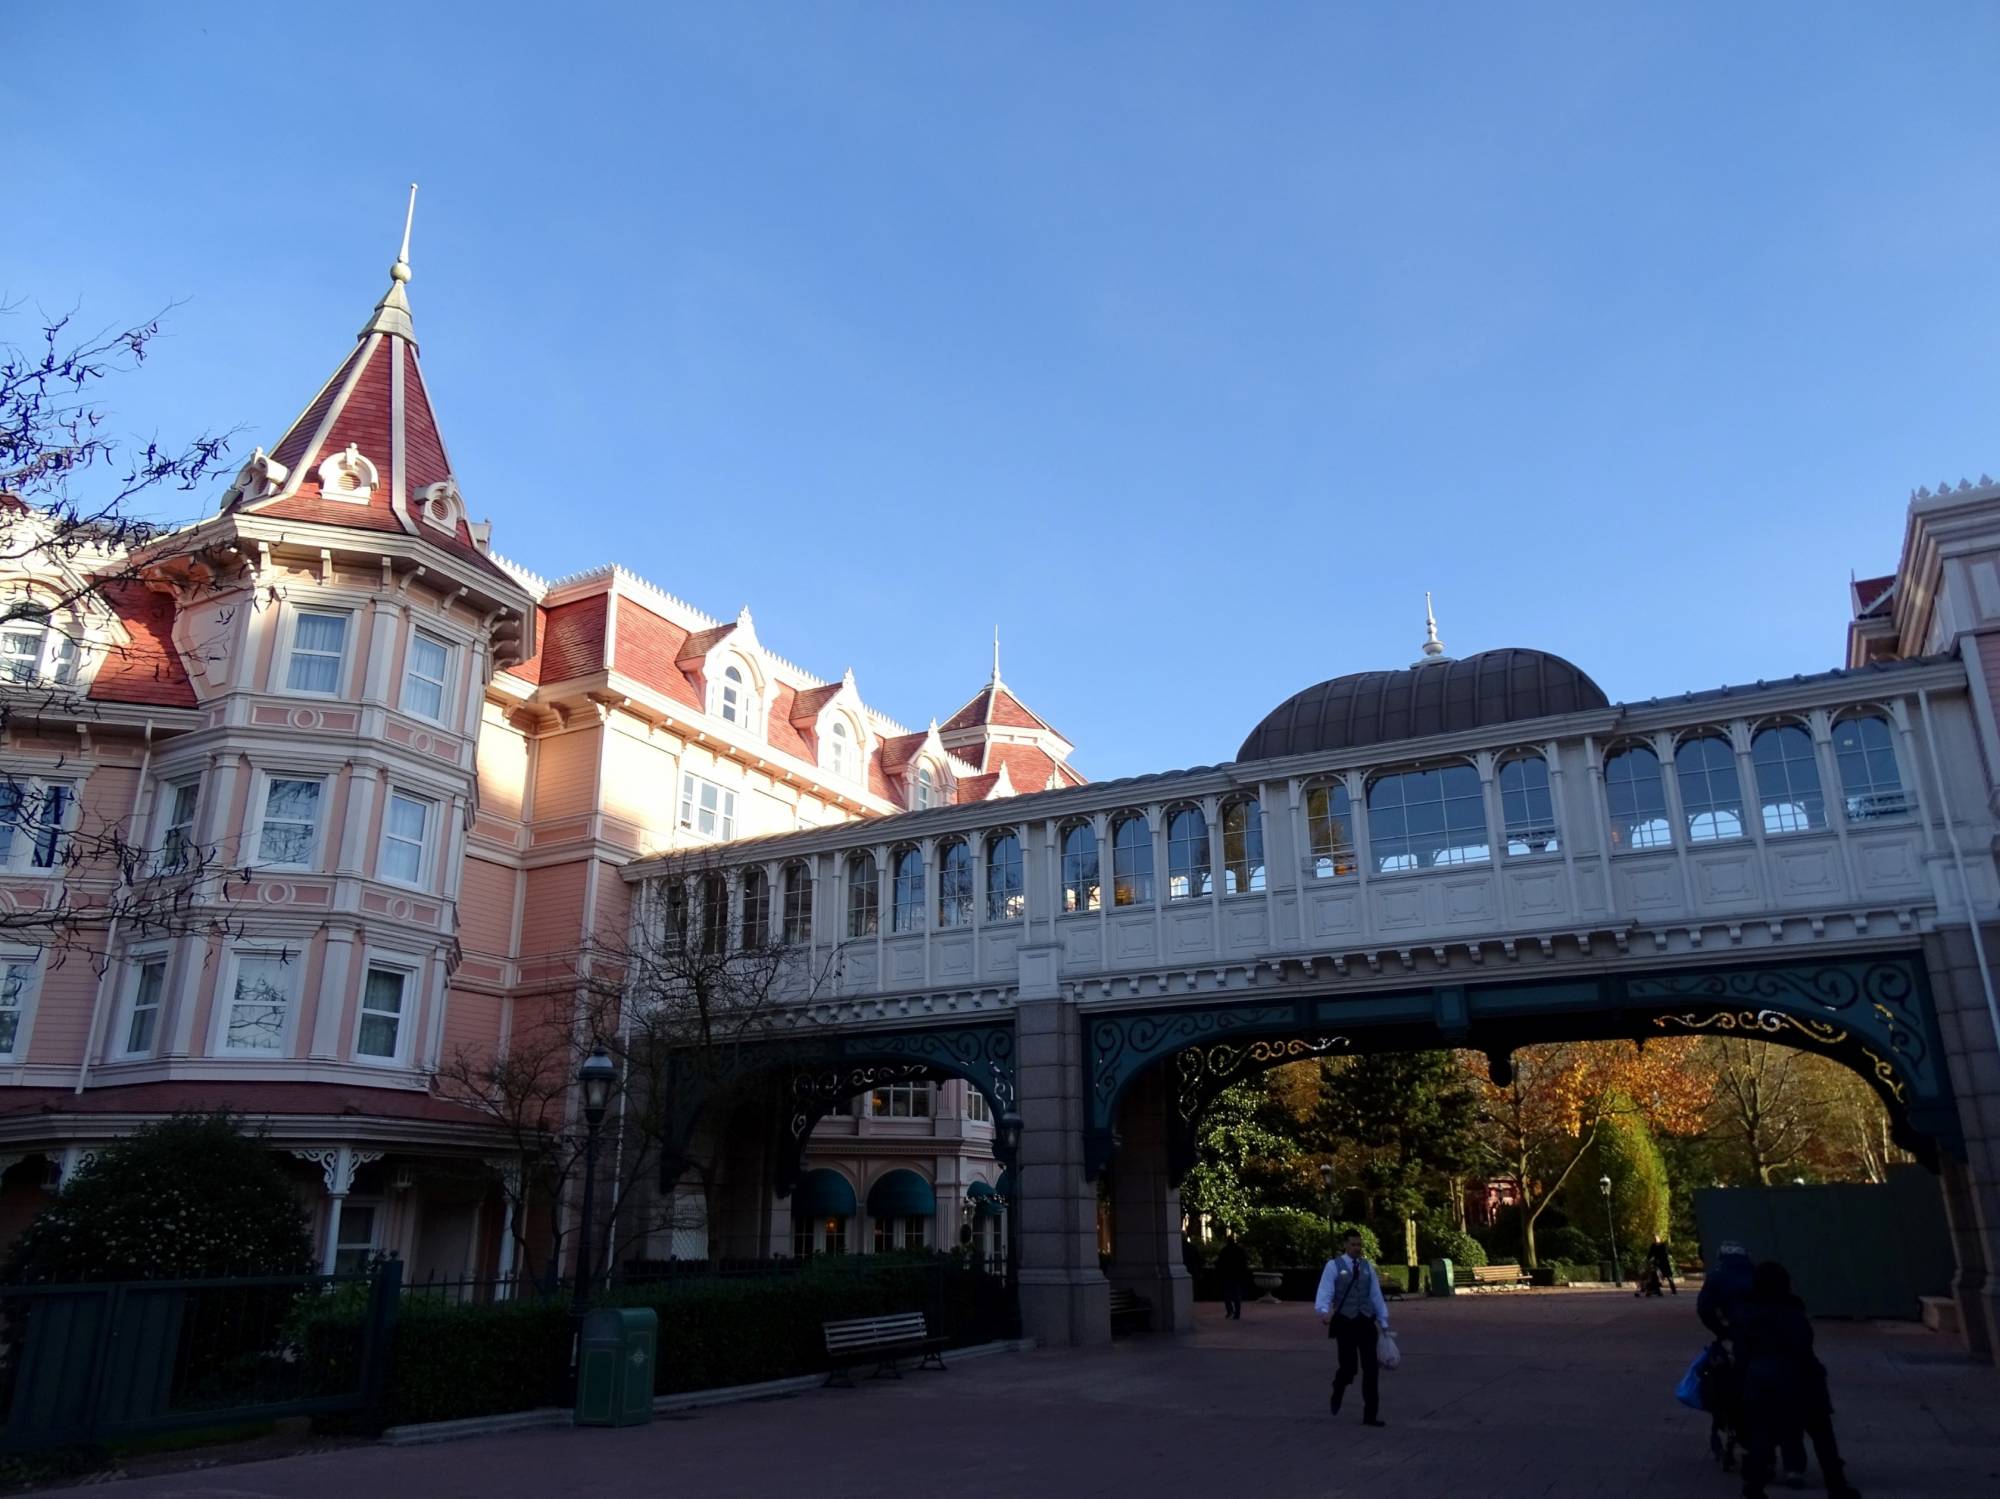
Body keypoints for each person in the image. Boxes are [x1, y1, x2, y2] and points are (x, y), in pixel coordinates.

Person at [1732, 1261, 1859, 1499]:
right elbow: (1804, 1341)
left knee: (1760, 1436)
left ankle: (1754, 1487)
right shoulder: (1792, 1309)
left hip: (1762, 1378)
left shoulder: (1746, 1312)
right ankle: (1836, 1485)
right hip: (1802, 1376)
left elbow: (1742, 1352)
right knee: (1822, 1435)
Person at [1315, 1229, 1389, 1428]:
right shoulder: (1333, 1266)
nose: (1357, 1248)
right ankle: (1339, 1386)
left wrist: (1383, 1320)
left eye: (1359, 1244)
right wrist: (1323, 1310)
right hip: (1345, 1323)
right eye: (1353, 1244)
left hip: (1365, 1321)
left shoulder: (1367, 1267)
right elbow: (1325, 1290)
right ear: (1345, 1245)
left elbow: (1375, 1295)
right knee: (1349, 1368)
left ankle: (1370, 1414)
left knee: (1371, 1369)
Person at [1216, 1233, 1250, 1320]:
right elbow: (1245, 1262)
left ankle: (1230, 1310)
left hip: (1227, 1275)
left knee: (1227, 1294)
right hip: (1237, 1275)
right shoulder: (1239, 1250)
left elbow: (1219, 1263)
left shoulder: (1224, 1250)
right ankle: (1237, 1312)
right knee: (1236, 1294)